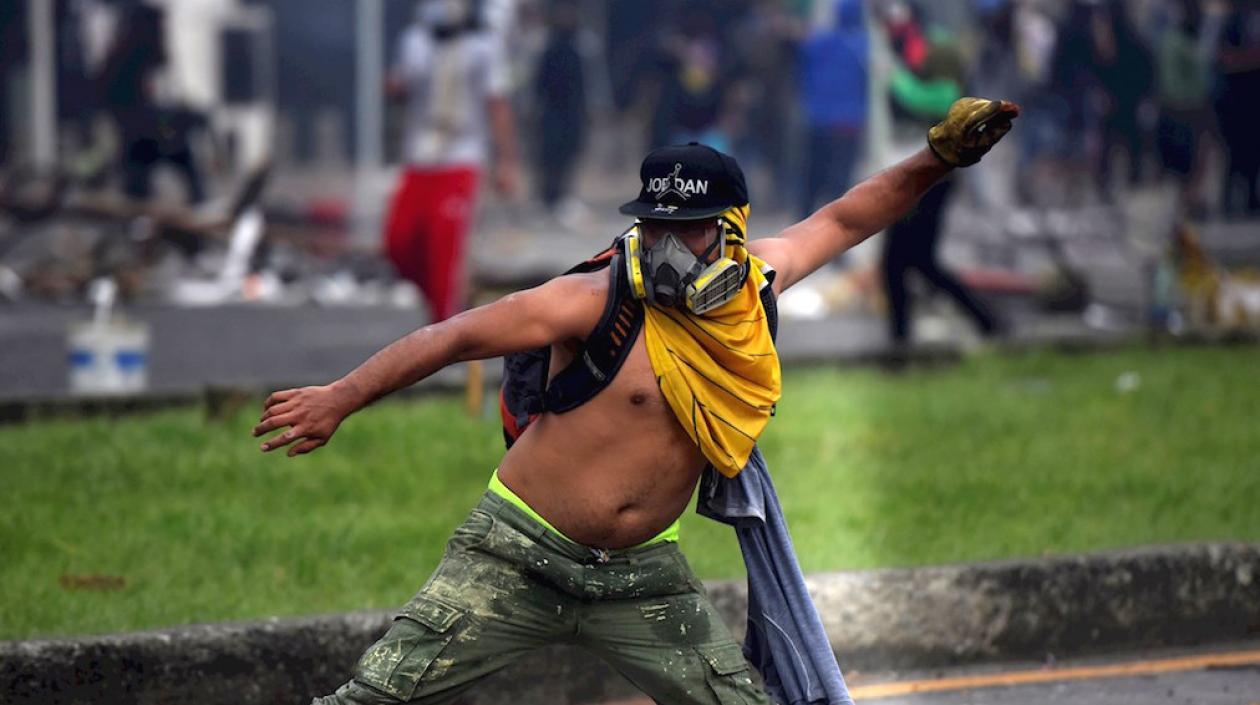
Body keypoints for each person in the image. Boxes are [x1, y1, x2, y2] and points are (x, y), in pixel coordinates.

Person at [254, 98, 1018, 705]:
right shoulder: (593, 298)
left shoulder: (755, 288)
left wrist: (937, 157)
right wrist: (339, 397)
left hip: (641, 577)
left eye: (687, 232)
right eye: (654, 228)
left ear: (730, 232)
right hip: (516, 554)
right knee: (375, 695)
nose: (666, 247)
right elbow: (454, 336)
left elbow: (850, 217)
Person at [384, 0, 521, 323]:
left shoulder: (484, 45)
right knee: (398, 241)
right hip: (419, 155)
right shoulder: (415, 41)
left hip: (462, 155)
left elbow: (497, 104)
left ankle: (444, 330)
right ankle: (440, 300)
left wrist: (506, 163)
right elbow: (398, 86)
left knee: (444, 246)